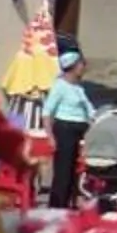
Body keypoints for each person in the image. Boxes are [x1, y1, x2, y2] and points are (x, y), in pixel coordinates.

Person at [46, 48, 94, 207]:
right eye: (81, 64)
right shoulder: (60, 86)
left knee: (76, 171)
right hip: (65, 129)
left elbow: (89, 111)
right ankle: (57, 206)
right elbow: (47, 112)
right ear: (73, 67)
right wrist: (50, 136)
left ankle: (71, 203)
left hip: (80, 130)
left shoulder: (79, 89)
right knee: (63, 171)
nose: (83, 67)